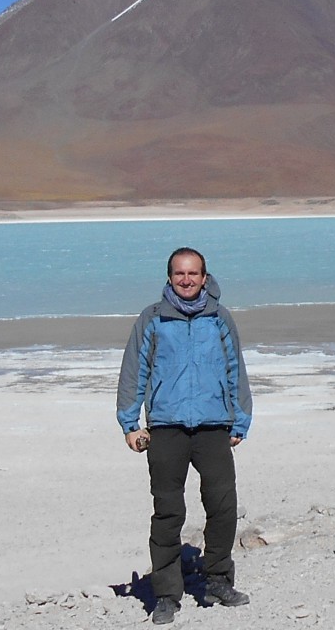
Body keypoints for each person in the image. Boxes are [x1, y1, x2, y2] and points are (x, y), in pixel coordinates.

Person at [116, 247, 253, 625]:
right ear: (169, 277)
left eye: (194, 274)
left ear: (205, 278)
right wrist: (130, 424)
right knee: (168, 513)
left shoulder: (219, 319)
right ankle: (165, 595)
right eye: (180, 274)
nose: (187, 280)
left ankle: (218, 581)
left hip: (213, 426)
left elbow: (234, 370)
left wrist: (240, 421)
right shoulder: (153, 319)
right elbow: (134, 372)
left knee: (223, 507)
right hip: (166, 428)